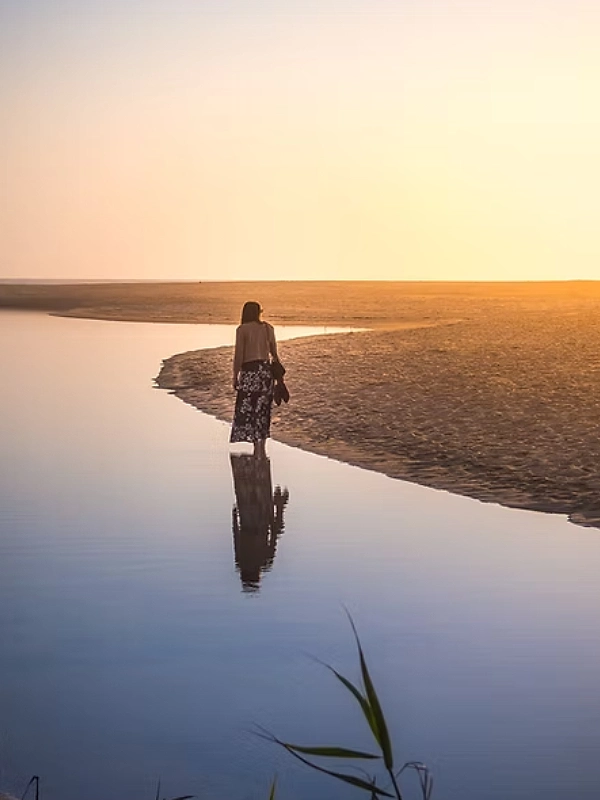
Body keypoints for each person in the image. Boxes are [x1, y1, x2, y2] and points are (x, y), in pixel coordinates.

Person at [230, 301, 278, 458]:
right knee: (263, 408)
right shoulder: (268, 328)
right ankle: (261, 443)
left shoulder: (242, 330)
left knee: (248, 406)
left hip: (250, 372)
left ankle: (254, 441)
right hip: (265, 372)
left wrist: (235, 375)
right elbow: (274, 353)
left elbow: (239, 356)